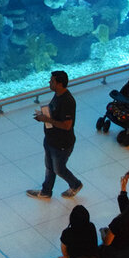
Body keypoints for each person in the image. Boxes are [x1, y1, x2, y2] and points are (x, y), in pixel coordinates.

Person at [28, 70, 83, 199]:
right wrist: (43, 116)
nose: (49, 82)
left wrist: (46, 119)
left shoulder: (67, 101)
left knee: (59, 169)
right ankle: (46, 191)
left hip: (62, 143)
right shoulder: (57, 95)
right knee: (49, 167)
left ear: (59, 84)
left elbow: (67, 125)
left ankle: (75, 184)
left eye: (52, 81)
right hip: (51, 139)